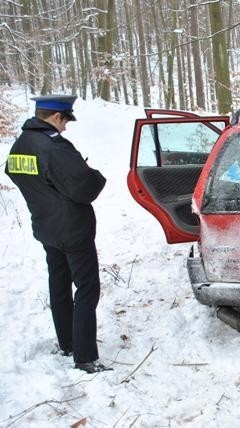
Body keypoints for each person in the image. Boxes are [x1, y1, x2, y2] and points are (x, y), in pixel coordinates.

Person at [4, 95, 111, 374]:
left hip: (46, 227)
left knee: (59, 284)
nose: (65, 128)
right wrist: (96, 175)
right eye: (65, 121)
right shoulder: (54, 147)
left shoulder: (21, 144)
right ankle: (86, 357)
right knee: (87, 289)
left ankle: (68, 343)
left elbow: (12, 172)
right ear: (55, 117)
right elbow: (85, 187)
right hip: (73, 230)